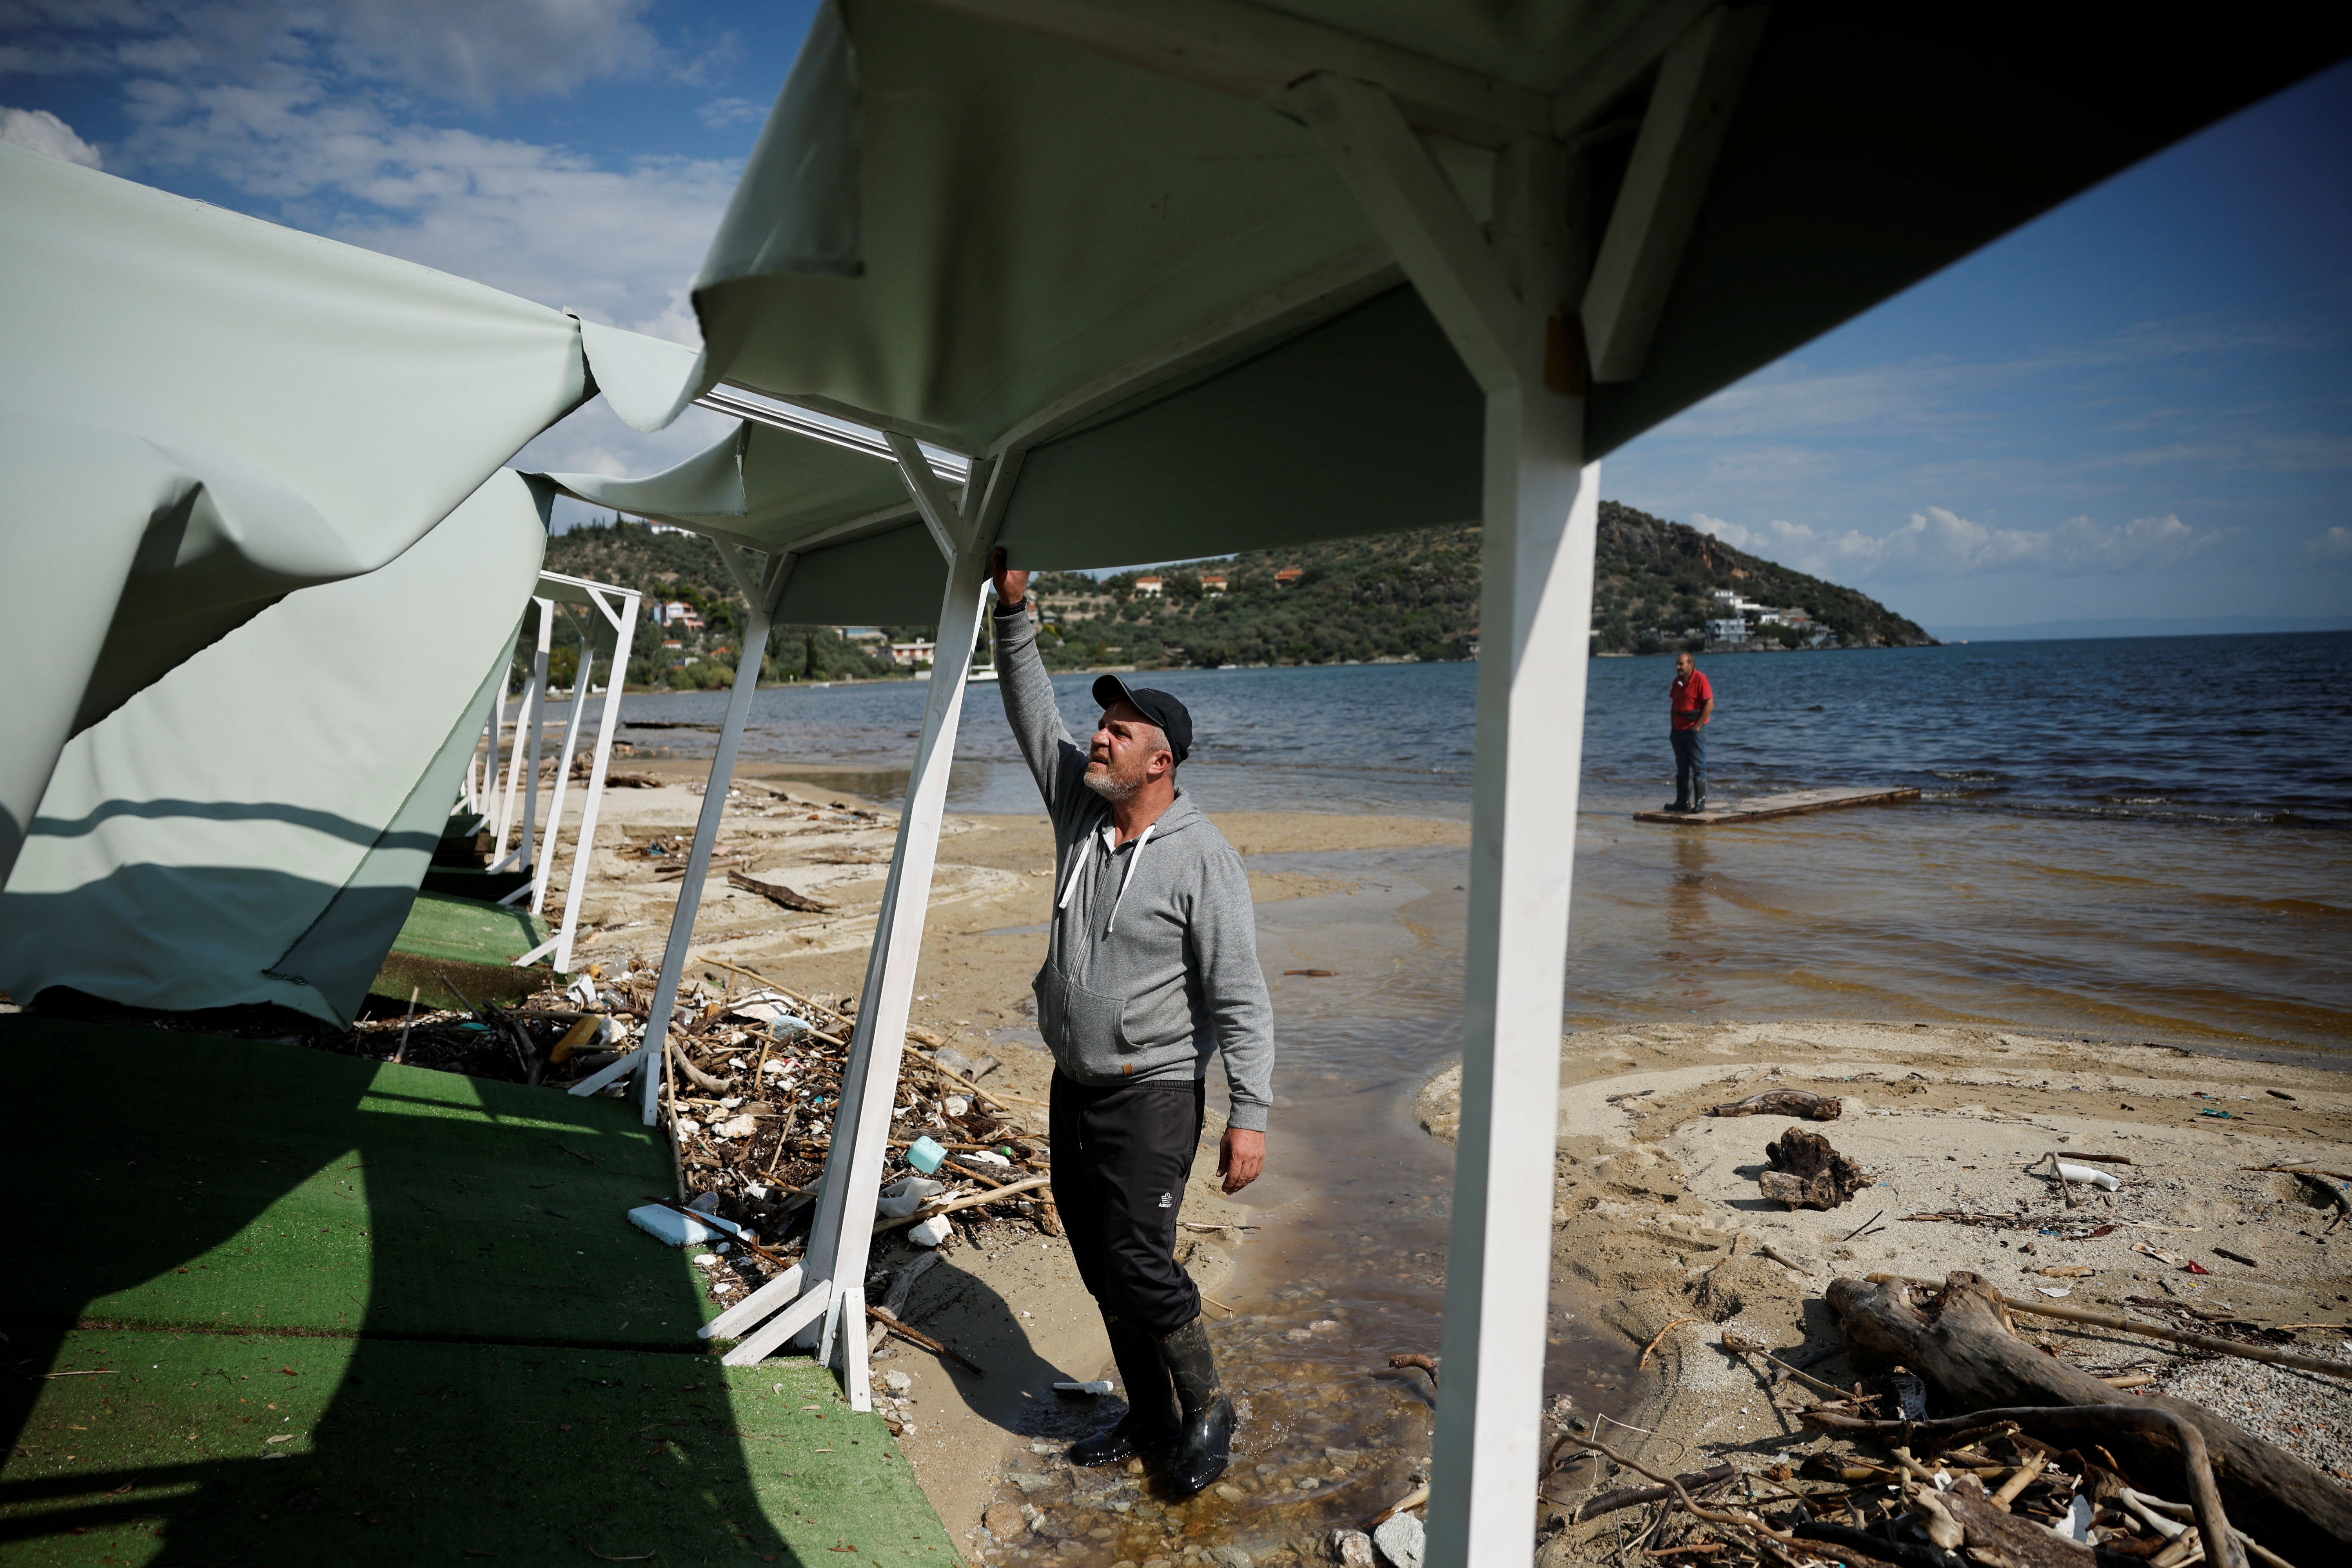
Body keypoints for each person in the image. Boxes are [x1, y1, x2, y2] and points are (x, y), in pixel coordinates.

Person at [987, 547, 1274, 1495]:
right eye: (1100, 727)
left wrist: (1251, 1112)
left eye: (1117, 732)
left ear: (1162, 759)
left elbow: (1240, 994)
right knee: (1099, 1260)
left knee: (1139, 1261)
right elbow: (1035, 713)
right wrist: (1015, 613)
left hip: (1152, 1088)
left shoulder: (1204, 858)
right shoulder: (1081, 812)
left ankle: (1210, 1404)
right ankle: (1148, 1414)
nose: (1097, 740)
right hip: (1075, 1084)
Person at [1666, 651, 1714, 812]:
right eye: (1677, 664)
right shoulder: (1677, 682)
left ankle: (1700, 803)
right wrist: (1673, 727)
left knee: (1698, 766)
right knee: (1682, 766)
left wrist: (1698, 727)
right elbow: (1674, 705)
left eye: (1681, 664)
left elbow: (1710, 704)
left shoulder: (1701, 679)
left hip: (1695, 729)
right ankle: (1682, 802)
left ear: (1691, 665)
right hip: (1679, 730)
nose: (1678, 667)